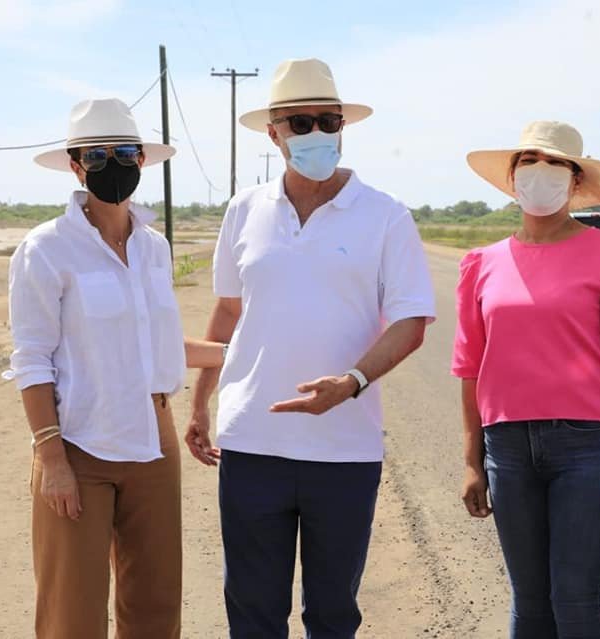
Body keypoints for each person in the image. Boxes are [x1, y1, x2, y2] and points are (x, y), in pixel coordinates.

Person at [184, 58, 436, 638]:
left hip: (344, 453)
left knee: (332, 615)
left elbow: (411, 322)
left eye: (328, 120)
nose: (317, 133)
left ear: (343, 126)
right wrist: (201, 403)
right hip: (251, 445)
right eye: (300, 123)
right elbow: (228, 312)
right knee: (252, 611)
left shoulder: (386, 216)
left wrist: (352, 382)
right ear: (273, 132)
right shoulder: (244, 210)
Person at [5, 97, 224, 638]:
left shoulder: (154, 248)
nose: (112, 165)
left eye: (123, 152)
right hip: (80, 446)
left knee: (154, 601)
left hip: (154, 438)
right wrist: (52, 460)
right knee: (72, 611)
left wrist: (252, 353)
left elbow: (157, 345)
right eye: (96, 156)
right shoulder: (46, 250)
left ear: (143, 160)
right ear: (76, 166)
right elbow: (32, 360)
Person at [453, 120, 600, 638]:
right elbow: (471, 368)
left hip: (591, 449)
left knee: (575, 601)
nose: (540, 174)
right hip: (507, 447)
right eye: (529, 162)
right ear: (512, 178)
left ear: (575, 181)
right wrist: (471, 461)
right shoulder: (483, 264)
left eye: (556, 165)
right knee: (529, 605)